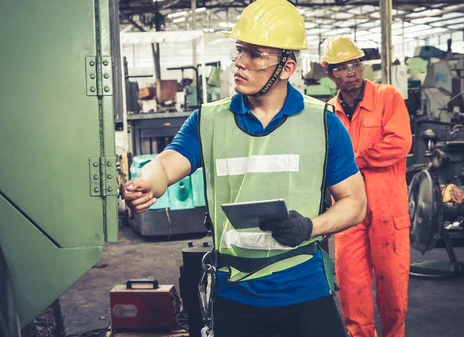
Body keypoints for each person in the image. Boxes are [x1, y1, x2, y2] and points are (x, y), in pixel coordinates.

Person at [124, 1, 367, 336]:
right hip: (235, 295)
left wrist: (310, 226)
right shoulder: (208, 121)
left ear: (286, 67)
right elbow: (166, 163)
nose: (239, 62)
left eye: (254, 54)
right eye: (239, 50)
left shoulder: (324, 123)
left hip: (304, 288)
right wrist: (148, 183)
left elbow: (356, 203)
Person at [323, 36, 413, 337]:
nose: (351, 71)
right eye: (342, 67)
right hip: (348, 210)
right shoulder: (328, 112)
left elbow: (400, 143)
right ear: (330, 73)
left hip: (387, 209)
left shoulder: (387, 97)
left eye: (356, 64)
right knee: (351, 285)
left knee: (392, 285)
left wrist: (356, 160)